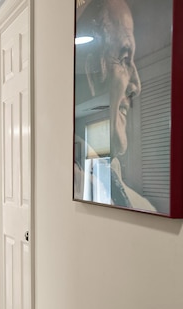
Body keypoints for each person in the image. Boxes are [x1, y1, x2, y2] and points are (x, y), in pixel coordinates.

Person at [74, 0, 157, 212]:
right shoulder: (68, 181)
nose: (136, 85)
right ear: (93, 69)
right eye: (124, 58)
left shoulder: (140, 205)